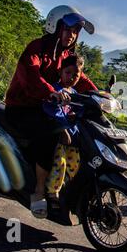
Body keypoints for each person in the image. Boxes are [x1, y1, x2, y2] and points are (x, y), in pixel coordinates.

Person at [5, 5, 98, 218]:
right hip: (21, 108)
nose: (72, 35)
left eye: (76, 31)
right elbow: (32, 76)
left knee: (76, 130)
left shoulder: (67, 54)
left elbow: (80, 79)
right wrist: (51, 93)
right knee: (51, 132)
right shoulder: (36, 48)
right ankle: (39, 192)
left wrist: (99, 96)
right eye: (68, 29)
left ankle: (63, 183)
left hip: (44, 107)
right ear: (55, 26)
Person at [43, 55, 84, 207]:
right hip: (59, 136)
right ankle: (51, 193)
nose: (72, 77)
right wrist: (63, 128)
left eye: (76, 75)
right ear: (61, 72)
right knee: (60, 162)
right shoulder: (55, 90)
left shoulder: (73, 92)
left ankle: (66, 188)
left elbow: (77, 110)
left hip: (72, 137)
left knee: (75, 162)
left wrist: (76, 114)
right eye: (68, 73)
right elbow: (51, 110)